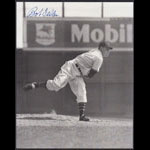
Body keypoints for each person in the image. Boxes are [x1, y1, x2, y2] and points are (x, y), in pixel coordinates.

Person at [23, 41, 113, 121]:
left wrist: (84, 73)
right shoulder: (99, 58)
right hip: (70, 67)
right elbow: (91, 74)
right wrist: (86, 74)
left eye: (109, 49)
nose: (108, 51)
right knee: (56, 84)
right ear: (101, 48)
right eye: (107, 49)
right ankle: (36, 85)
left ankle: (82, 116)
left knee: (82, 92)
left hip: (78, 74)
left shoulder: (95, 51)